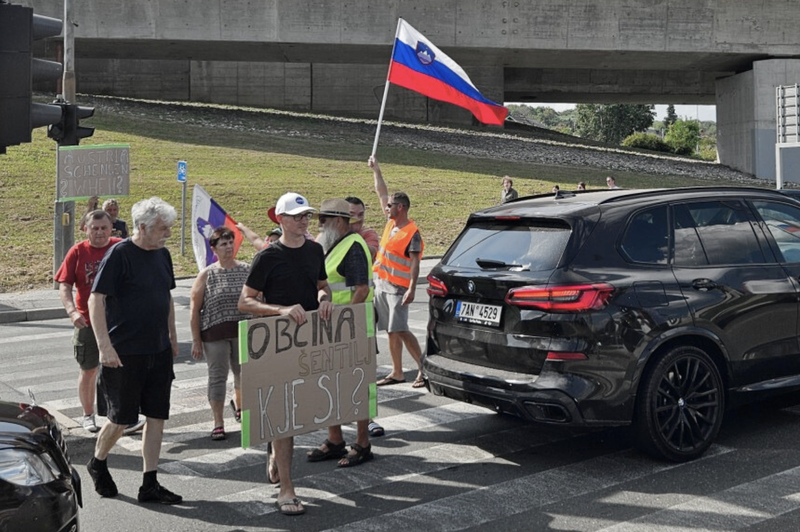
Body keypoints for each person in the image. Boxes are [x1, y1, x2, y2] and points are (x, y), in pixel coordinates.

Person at [237, 192, 333, 516]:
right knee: (284, 418)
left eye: (306, 215)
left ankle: (274, 449)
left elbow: (322, 284)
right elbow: (245, 301)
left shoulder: (315, 250)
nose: (304, 220)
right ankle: (288, 489)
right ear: (280, 220)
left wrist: (324, 298)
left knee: (299, 411)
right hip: (276, 343)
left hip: (308, 342)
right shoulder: (267, 257)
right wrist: (279, 310)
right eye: (297, 216)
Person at [86, 197, 183, 505]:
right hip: (124, 353)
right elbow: (96, 299)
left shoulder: (163, 254)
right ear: (142, 227)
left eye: (168, 228)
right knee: (120, 419)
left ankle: (149, 483)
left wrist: (171, 334)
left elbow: (166, 297)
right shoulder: (120, 254)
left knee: (157, 416)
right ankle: (98, 462)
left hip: (158, 350)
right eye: (161, 229)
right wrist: (104, 346)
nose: (166, 234)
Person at [306, 198, 375, 467]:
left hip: (352, 328)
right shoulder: (332, 245)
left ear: (338, 221)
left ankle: (363, 443)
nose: (320, 224)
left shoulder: (354, 246)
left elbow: (361, 290)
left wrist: (344, 319)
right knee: (330, 383)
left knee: (356, 385)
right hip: (333, 328)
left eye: (324, 219)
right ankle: (335, 440)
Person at [56, 210, 121, 433]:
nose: (100, 232)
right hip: (88, 322)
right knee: (89, 369)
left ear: (111, 228)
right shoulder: (77, 251)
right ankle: (88, 414)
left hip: (118, 322)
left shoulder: (120, 247)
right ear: (86, 229)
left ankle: (122, 414)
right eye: (95, 228)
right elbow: (64, 285)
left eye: (104, 228)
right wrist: (72, 312)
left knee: (121, 369)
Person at [368, 156, 425, 388]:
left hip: (399, 288)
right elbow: (381, 191)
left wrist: (412, 288)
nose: (386, 207)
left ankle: (424, 368)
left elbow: (415, 263)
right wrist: (377, 170)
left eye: (390, 205)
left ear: (400, 208)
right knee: (391, 330)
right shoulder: (391, 224)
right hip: (382, 283)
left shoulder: (412, 232)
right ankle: (397, 372)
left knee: (400, 329)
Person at [190, 227, 250, 441]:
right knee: (218, 376)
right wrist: (196, 340)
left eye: (230, 242)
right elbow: (195, 308)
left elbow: (256, 297)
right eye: (223, 244)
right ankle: (218, 422)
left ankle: (241, 406)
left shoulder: (246, 269)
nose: (228, 247)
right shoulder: (207, 274)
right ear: (214, 248)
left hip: (243, 330)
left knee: (244, 373)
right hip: (214, 333)